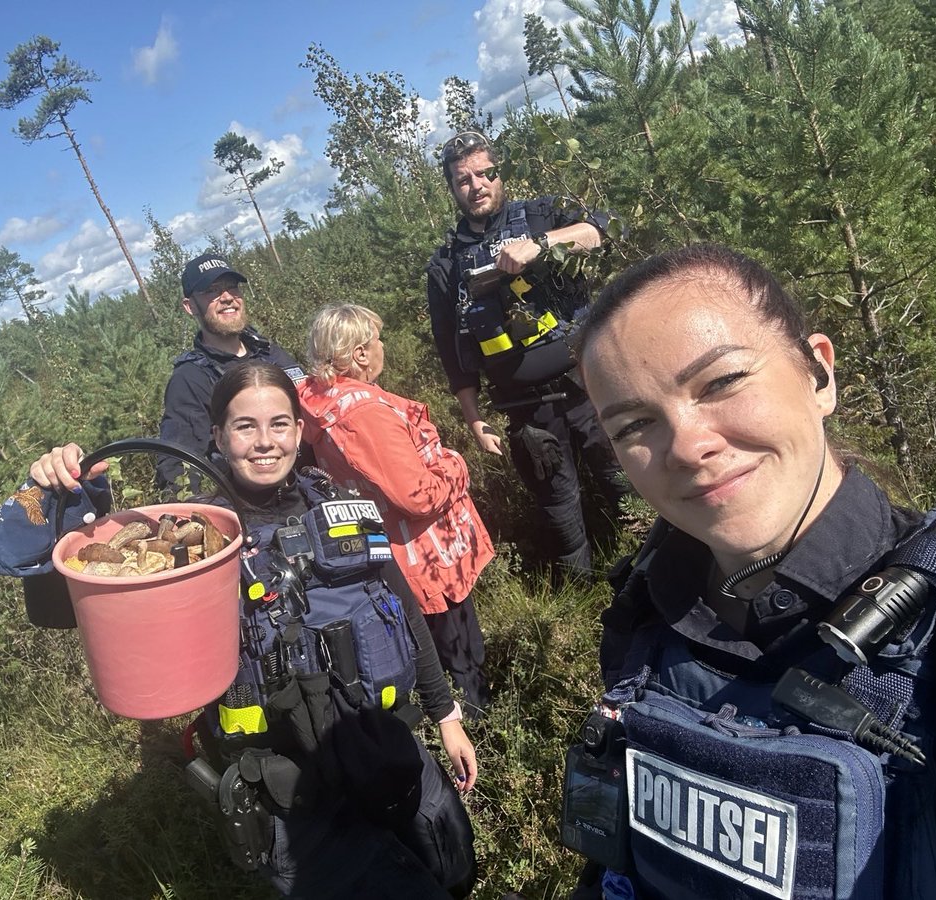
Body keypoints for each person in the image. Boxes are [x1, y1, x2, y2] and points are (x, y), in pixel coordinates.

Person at [563, 243, 936, 898]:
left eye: (720, 383)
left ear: (818, 375)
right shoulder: (646, 609)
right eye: (635, 423)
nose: (687, 445)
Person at [31, 360, 479, 899]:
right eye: (245, 426)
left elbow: (402, 606)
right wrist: (57, 504)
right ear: (217, 435)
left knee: (454, 873)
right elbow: (62, 607)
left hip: (384, 749)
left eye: (280, 423)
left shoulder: (341, 505)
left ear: (299, 430)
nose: (265, 442)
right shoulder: (196, 541)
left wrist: (445, 714)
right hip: (292, 796)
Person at [425, 130, 627, 578]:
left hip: (589, 387)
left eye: (485, 173)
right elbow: (449, 348)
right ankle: (583, 606)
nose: (476, 185)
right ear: (453, 189)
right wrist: (475, 419)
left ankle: (657, 575)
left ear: (500, 175)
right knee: (561, 516)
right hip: (527, 411)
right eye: (463, 180)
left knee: (625, 485)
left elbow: (607, 226)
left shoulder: (540, 215)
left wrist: (545, 244)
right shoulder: (446, 263)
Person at [298, 304, 495, 717]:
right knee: (459, 656)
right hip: (424, 561)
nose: (383, 346)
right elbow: (417, 496)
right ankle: (478, 731)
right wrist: (456, 466)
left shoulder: (324, 401)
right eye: (376, 340)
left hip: (396, 553)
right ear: (360, 355)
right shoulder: (365, 414)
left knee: (437, 651)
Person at [157, 251, 305, 491]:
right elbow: (178, 470)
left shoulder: (270, 353)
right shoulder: (191, 379)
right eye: (211, 291)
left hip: (306, 490)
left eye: (232, 287)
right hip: (256, 509)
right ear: (190, 306)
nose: (226, 297)